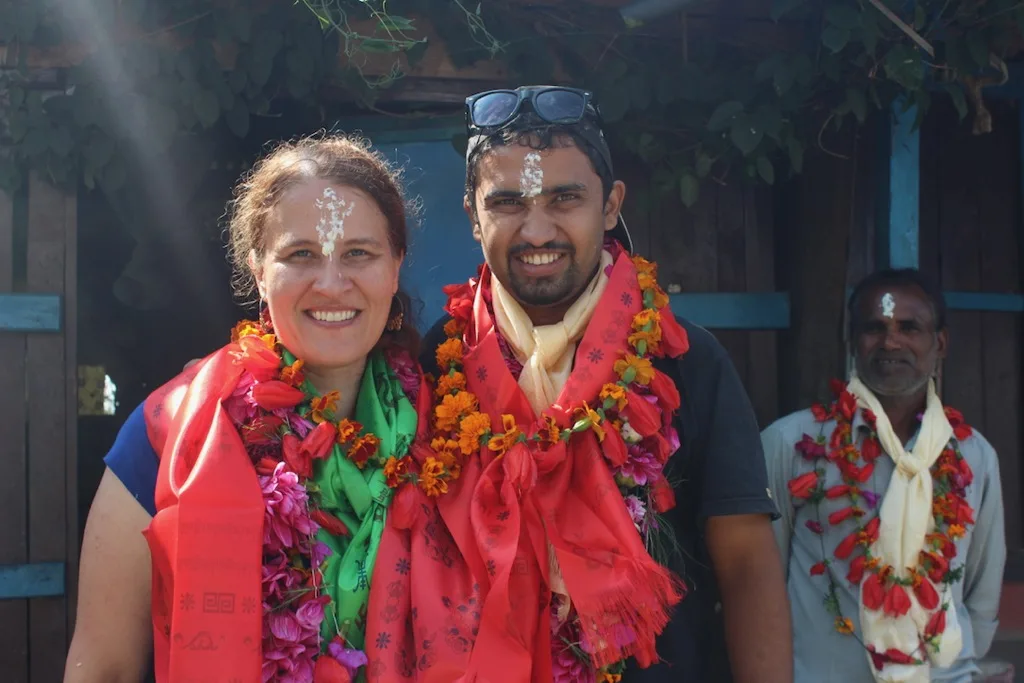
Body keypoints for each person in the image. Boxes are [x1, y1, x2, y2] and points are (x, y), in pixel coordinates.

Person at [364, 86, 793, 682]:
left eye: (565, 198)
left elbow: (746, 565)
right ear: (472, 215)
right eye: (507, 203)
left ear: (611, 205)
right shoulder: (440, 359)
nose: (537, 231)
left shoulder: (683, 359)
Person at [65, 135, 439, 682]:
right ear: (259, 270)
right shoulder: (171, 435)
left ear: (396, 265)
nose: (333, 284)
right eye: (300, 255)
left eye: (359, 253)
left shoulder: (452, 429)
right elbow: (104, 669)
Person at [762, 269, 1006, 682]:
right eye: (874, 328)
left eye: (909, 327)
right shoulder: (790, 444)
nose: (890, 341)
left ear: (940, 342)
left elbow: (981, 594)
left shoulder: (973, 456)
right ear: (853, 341)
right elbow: (761, 584)